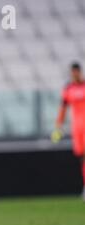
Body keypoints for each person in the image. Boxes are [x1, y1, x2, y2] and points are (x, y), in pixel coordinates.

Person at [52, 62, 85, 201]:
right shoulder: (68, 89)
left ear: (80, 72)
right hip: (77, 127)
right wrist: (58, 125)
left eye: (76, 72)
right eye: (73, 72)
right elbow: (63, 108)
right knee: (82, 158)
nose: (75, 74)